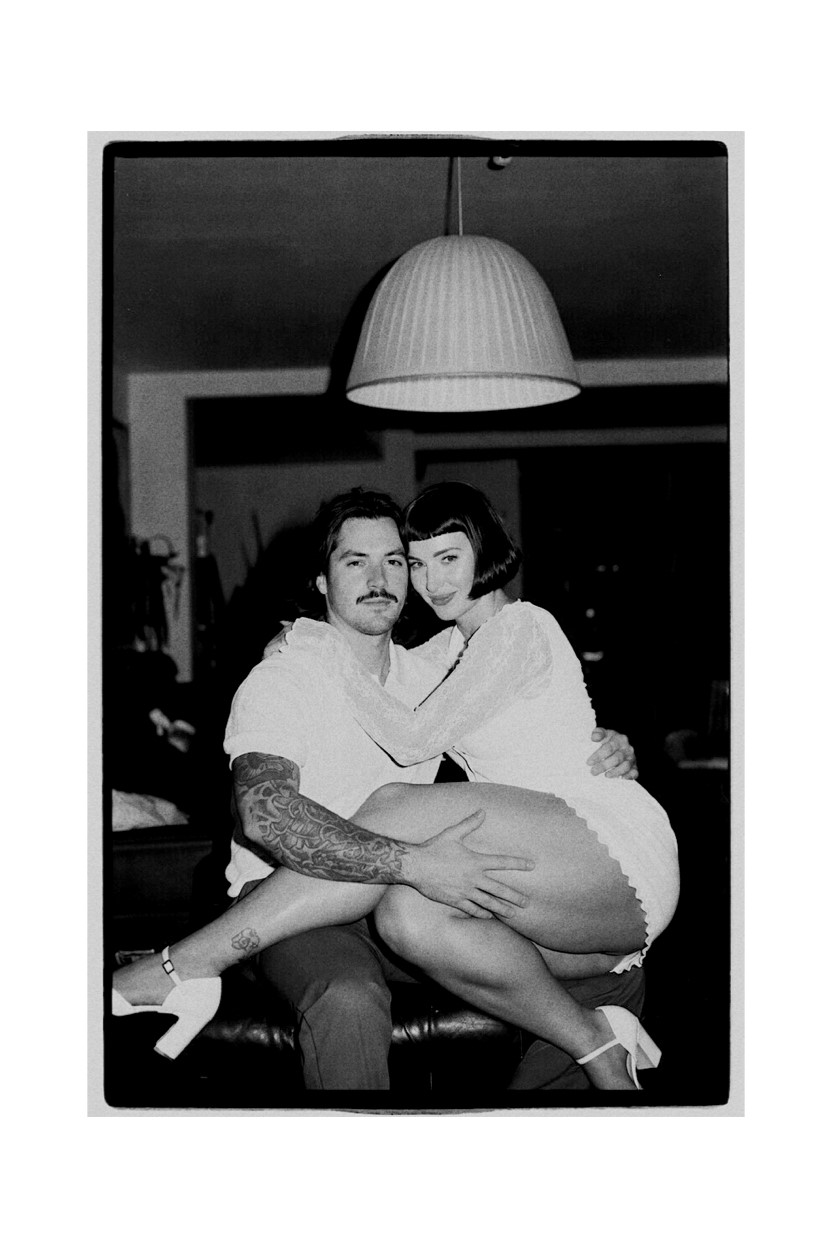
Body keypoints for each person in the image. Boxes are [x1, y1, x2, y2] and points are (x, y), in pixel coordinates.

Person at [113, 486, 661, 1091]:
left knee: (600, 970)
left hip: (402, 896)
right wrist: (413, 863)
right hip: (292, 906)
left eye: (396, 561)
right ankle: (187, 970)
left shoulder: (434, 670)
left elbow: (527, 690)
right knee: (347, 999)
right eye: (355, 562)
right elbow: (268, 817)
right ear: (321, 581)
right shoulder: (284, 678)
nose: (380, 579)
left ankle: (579, 1078)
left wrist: (603, 745)